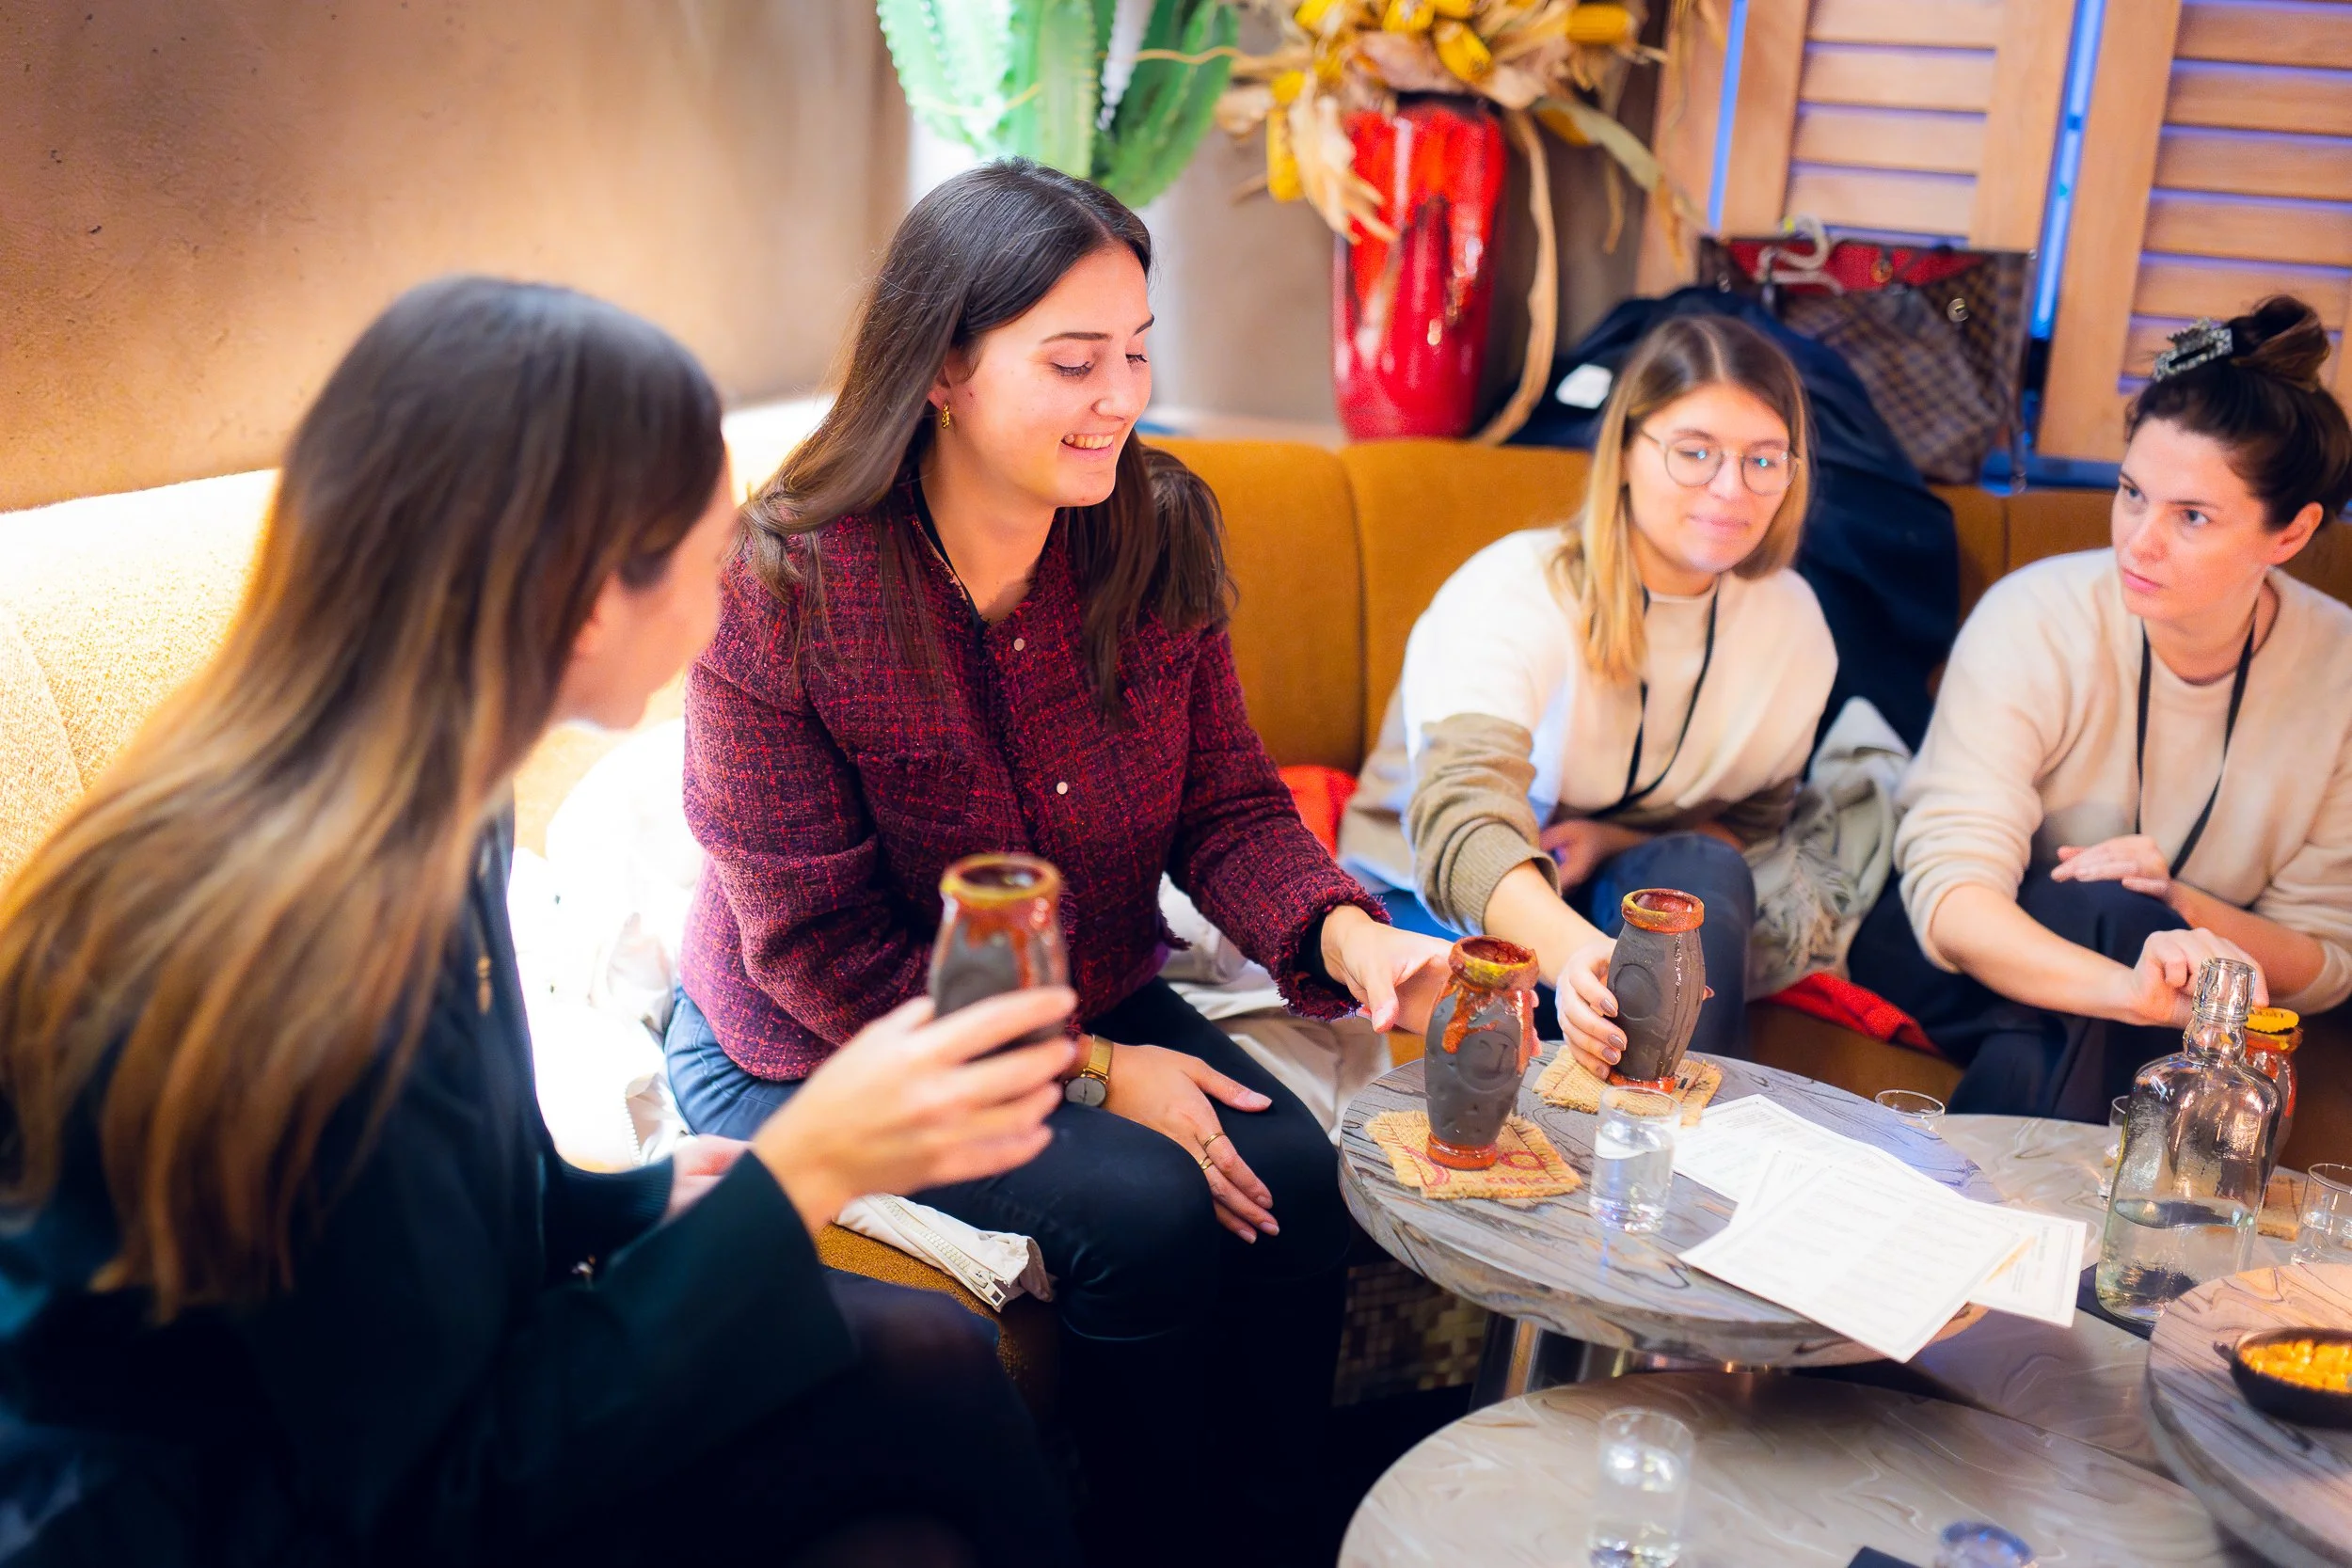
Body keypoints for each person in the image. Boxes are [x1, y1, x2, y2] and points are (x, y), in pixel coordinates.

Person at [0, 277, 1082, 1568]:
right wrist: (801, 1172)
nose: (732, 589)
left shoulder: (429, 805)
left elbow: (391, 1235)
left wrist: (619, 1205)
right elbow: (437, 1493)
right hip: (249, 1520)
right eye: (712, 550)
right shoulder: (309, 954)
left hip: (378, 1428)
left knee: (932, 1355)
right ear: (586, 601)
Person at [662, 160, 1449, 1567]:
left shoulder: (1157, 528)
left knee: (1298, 1174)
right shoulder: (785, 585)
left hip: (1079, 982)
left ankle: (1281, 1539)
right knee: (1144, 1213)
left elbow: (1226, 805)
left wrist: (1354, 936)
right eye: (1074, 361)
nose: (1122, 396)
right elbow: (816, 947)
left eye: (1137, 350)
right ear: (942, 369)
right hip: (821, 1034)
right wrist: (1094, 1069)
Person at [1850, 296, 2352, 1117]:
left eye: (2192, 516)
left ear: (2290, 534)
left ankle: (1979, 1201)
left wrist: (2179, 905)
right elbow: (1952, 895)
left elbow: (2326, 959)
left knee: (2076, 994)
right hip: (1954, 949)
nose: (2138, 540)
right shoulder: (2036, 617)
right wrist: (2132, 990)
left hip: (2143, 999)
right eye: (2131, 492)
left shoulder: (2338, 672)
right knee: (2115, 915)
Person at [1340, 315, 1837, 1076]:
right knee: (1507, 1003)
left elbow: (1752, 818)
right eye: (1695, 452)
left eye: (1763, 459)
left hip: (1594, 875)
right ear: (1627, 451)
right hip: (1430, 887)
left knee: (1701, 879)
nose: (1730, 488)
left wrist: (1611, 841)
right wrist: (1578, 955)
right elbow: (1461, 826)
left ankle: (1681, 1128)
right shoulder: (1515, 591)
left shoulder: (1792, 625)